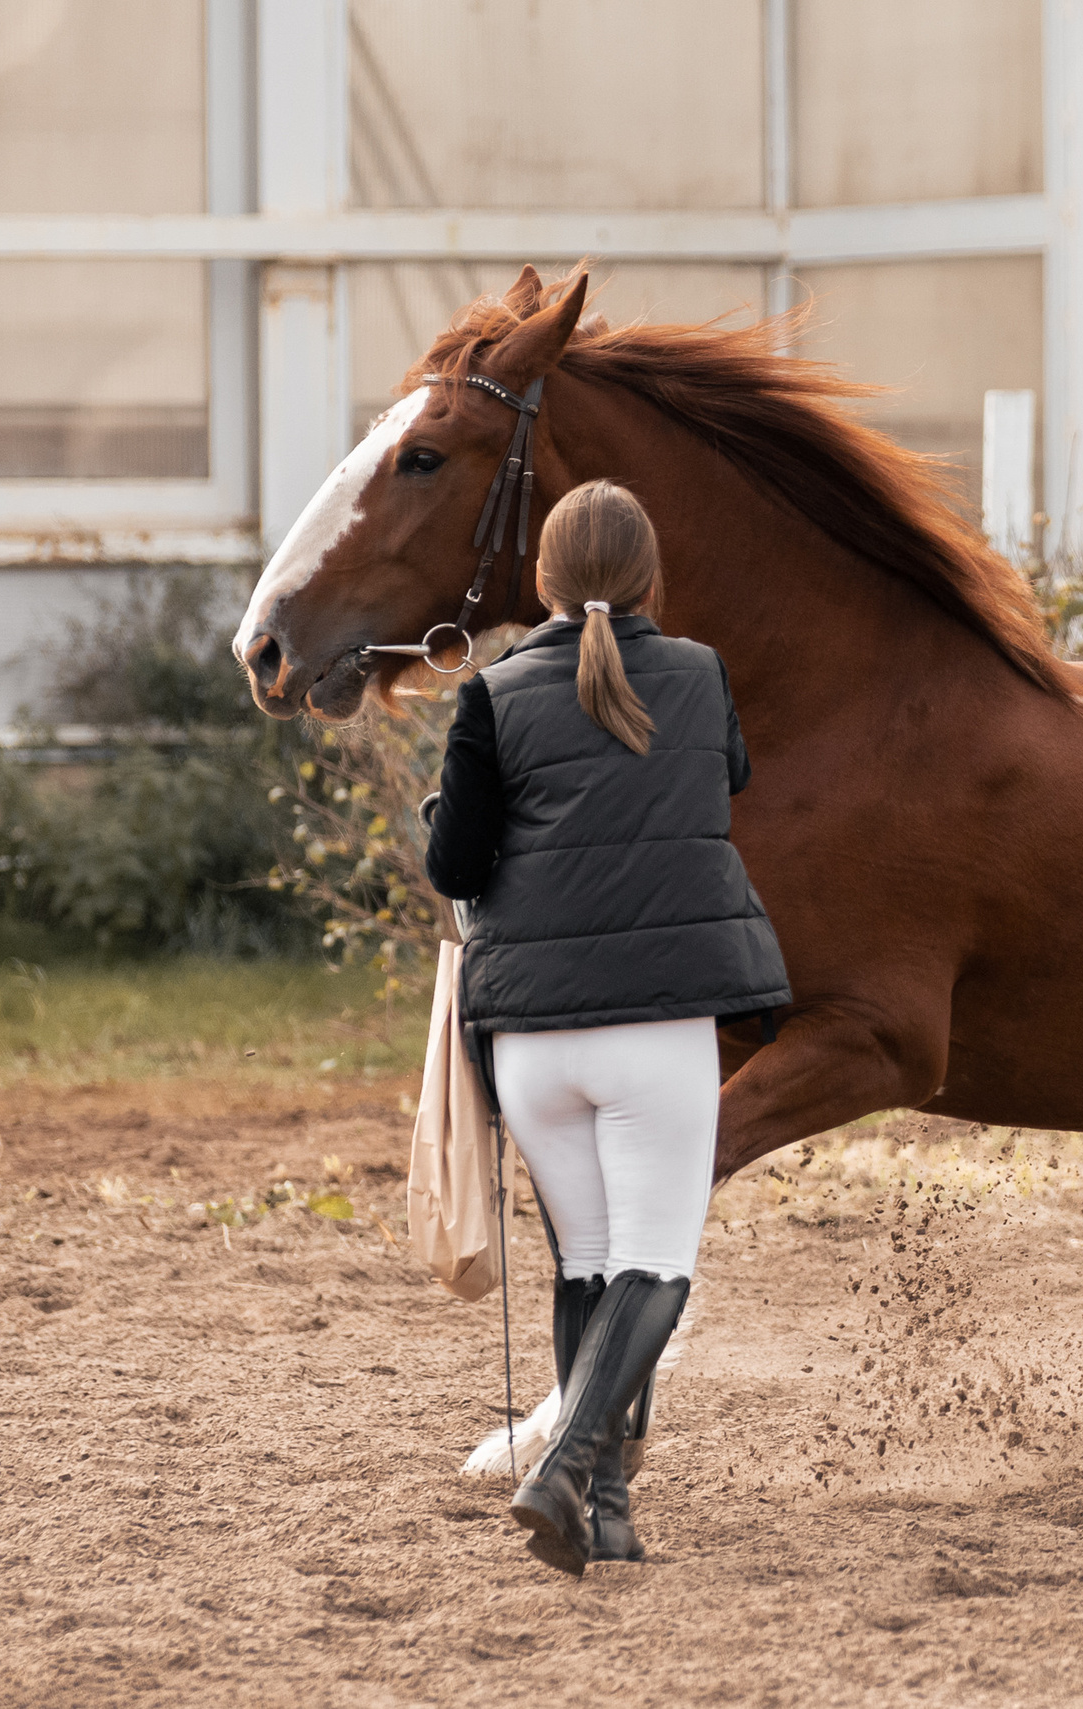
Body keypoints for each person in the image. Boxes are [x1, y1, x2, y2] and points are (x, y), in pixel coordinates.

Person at [424, 478, 790, 1576]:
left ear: (539, 580)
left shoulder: (490, 692)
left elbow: (453, 867)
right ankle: (569, 1464)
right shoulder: (699, 673)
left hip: (531, 1041)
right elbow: (726, 779)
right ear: (649, 578)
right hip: (655, 1027)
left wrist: (452, 808)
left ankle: (609, 1512)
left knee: (587, 1261)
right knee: (655, 1262)